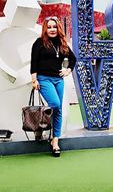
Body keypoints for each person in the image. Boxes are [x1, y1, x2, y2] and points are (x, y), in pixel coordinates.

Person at [30, 16, 76, 157]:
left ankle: (55, 140)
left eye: (54, 27)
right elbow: (34, 62)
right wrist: (34, 80)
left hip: (58, 80)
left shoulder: (62, 43)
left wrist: (67, 70)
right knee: (55, 104)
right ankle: (41, 127)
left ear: (58, 28)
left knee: (59, 109)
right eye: (49, 27)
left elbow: (73, 59)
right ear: (45, 29)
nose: (52, 29)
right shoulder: (39, 43)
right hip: (44, 79)